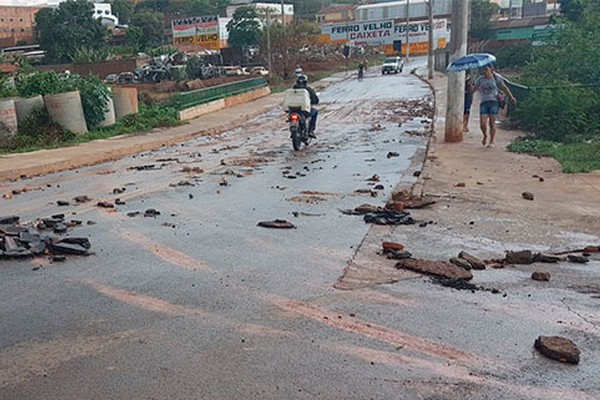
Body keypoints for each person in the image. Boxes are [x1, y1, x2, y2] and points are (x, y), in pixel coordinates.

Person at [475, 65, 516, 148]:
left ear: (491, 69)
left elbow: (504, 87)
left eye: (486, 69)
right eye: (483, 69)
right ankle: (485, 136)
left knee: (492, 122)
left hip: (494, 102)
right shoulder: (480, 79)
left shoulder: (496, 78)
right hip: (484, 102)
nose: (484, 71)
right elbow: (474, 89)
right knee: (482, 123)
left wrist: (511, 97)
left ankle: (492, 141)